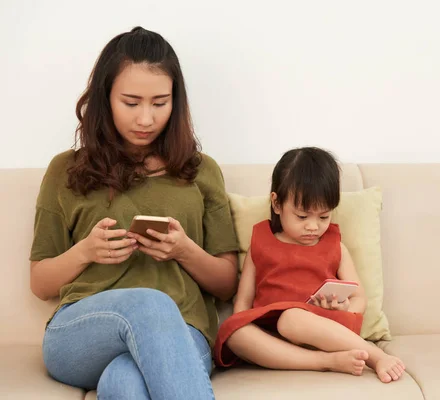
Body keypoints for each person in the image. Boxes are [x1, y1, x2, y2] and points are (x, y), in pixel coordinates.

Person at [29, 27, 238, 399]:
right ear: (105, 98)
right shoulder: (65, 170)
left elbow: (227, 284)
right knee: (148, 302)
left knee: (123, 383)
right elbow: (40, 283)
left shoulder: (201, 170)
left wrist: (183, 250)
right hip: (82, 332)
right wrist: (86, 252)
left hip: (182, 330)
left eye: (159, 103)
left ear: (176, 102)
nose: (145, 119)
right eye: (131, 102)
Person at [213, 147, 405, 383]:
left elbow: (360, 299)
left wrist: (343, 309)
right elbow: (242, 304)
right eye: (302, 217)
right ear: (276, 204)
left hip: (326, 328)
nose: (313, 227)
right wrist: (241, 327)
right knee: (233, 333)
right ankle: (326, 362)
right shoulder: (260, 243)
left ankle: (375, 356)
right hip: (273, 336)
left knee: (291, 319)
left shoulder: (335, 246)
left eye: (324, 217)